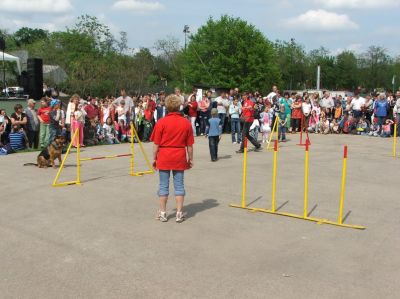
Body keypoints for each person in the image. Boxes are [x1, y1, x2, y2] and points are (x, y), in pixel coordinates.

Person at [150, 94, 194, 223]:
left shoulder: (161, 122)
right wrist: (190, 159)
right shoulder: (185, 123)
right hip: (179, 156)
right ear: (179, 106)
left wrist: (154, 158)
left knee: (163, 185)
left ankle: (163, 213)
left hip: (164, 156)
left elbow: (156, 144)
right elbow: (189, 146)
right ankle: (179, 213)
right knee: (179, 185)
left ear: (167, 106)